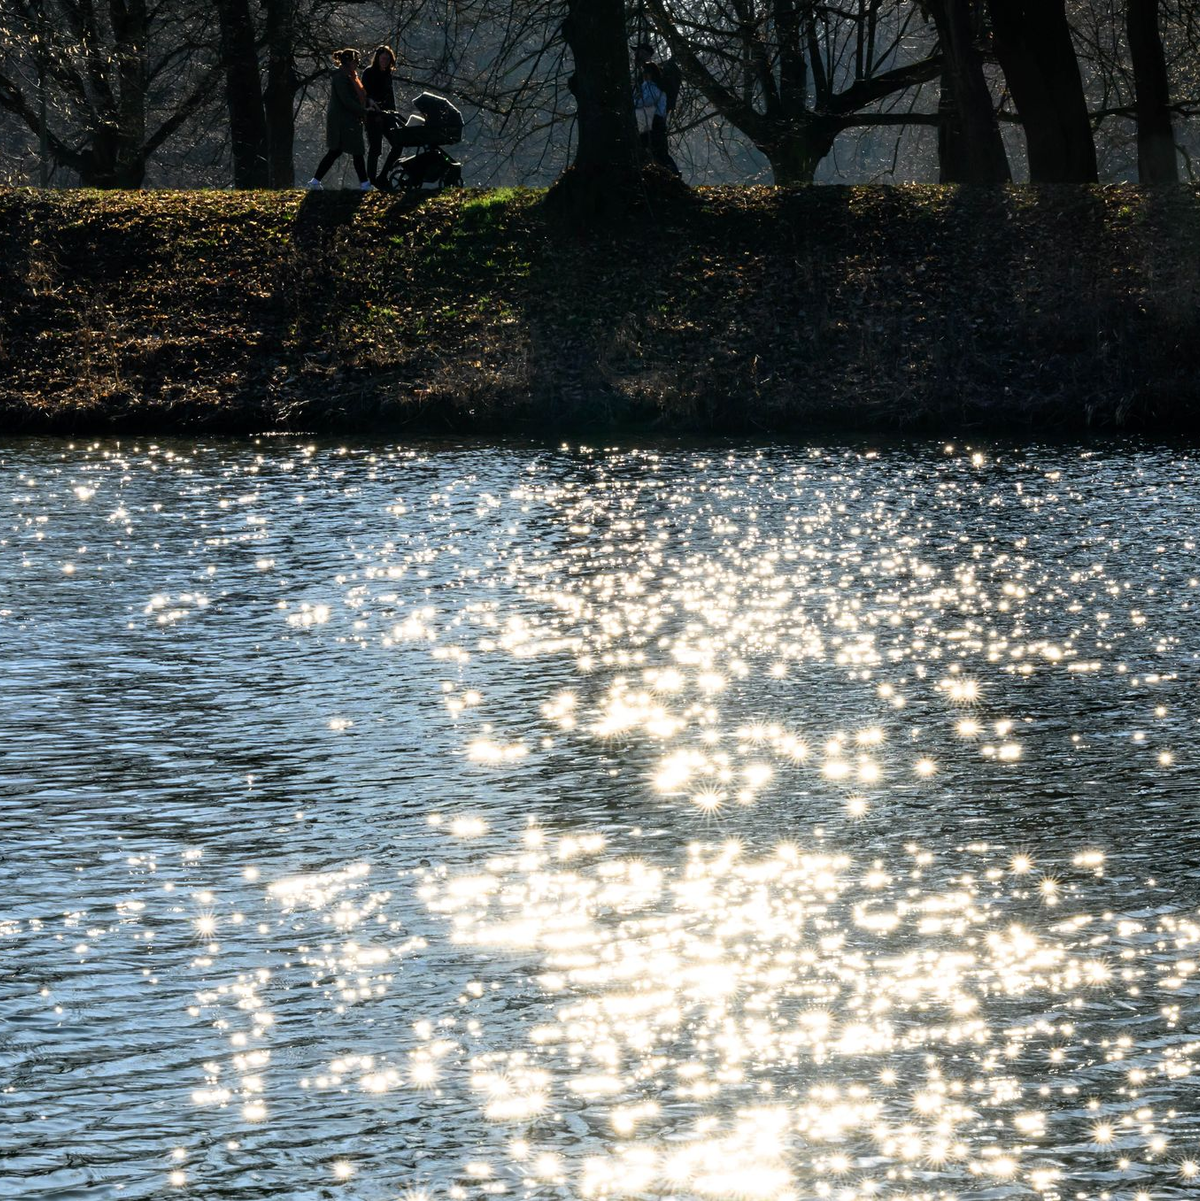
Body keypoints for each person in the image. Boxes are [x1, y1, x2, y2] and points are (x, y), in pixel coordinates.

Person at [307, 49, 374, 191]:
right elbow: (347, 100)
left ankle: (315, 181)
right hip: (344, 120)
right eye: (356, 61)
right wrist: (363, 111)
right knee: (356, 150)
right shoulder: (342, 77)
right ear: (349, 61)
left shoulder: (349, 76)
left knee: (336, 151)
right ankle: (364, 184)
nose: (358, 64)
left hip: (347, 119)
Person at [633, 41, 681, 176]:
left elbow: (646, 101)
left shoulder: (653, 87)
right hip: (646, 119)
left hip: (652, 119)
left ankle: (673, 174)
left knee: (658, 150)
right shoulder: (646, 84)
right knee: (648, 149)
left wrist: (634, 102)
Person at [362, 44, 403, 187]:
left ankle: (383, 175)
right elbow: (364, 93)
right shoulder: (369, 72)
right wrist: (370, 101)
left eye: (387, 59)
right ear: (378, 58)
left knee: (398, 144)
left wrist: (395, 114)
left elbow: (390, 97)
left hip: (388, 115)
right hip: (373, 116)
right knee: (375, 149)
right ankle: (371, 181)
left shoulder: (388, 75)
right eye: (383, 58)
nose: (385, 61)